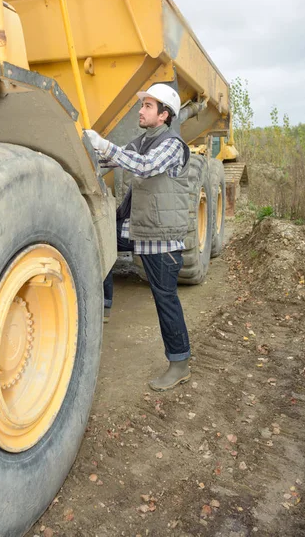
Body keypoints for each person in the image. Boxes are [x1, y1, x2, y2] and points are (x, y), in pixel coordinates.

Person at [85, 84, 191, 392]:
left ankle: (180, 364)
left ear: (164, 114)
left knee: (165, 299)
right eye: (142, 105)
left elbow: (145, 167)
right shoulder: (144, 140)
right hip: (140, 229)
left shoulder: (172, 145)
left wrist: (106, 146)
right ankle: (105, 305)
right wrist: (86, 152)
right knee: (100, 237)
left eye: (147, 105)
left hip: (161, 239)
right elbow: (112, 161)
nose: (140, 110)